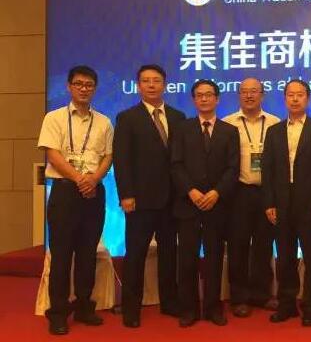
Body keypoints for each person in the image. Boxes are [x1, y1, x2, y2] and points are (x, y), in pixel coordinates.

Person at [37, 65, 113, 335]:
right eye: (79, 84)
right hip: (65, 191)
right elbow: (52, 154)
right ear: (69, 86)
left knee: (87, 252)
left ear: (95, 88)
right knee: (61, 255)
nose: (84, 88)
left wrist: (93, 179)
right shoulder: (54, 118)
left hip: (94, 192)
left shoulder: (104, 121)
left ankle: (84, 306)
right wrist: (79, 179)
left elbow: (108, 156)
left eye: (89, 85)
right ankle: (58, 312)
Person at [113, 64, 185, 327]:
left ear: (165, 84)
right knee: (135, 255)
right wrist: (126, 195)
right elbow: (122, 160)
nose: (151, 85)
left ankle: (170, 302)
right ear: (138, 86)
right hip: (140, 201)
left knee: (169, 254)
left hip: (171, 200)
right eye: (146, 81)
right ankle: (131, 308)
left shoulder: (178, 117)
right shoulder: (127, 118)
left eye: (156, 80)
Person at [261, 79, 311, 327]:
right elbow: (268, 170)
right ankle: (287, 304)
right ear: (284, 99)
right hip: (282, 204)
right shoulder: (274, 131)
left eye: (300, 94)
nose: (295, 99)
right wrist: (269, 203)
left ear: (307, 98)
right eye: (290, 95)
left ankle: (310, 305)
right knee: (284, 257)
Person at [170, 80, 240, 328]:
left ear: (217, 99)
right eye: (199, 95)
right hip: (188, 205)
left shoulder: (229, 131)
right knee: (187, 260)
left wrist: (216, 192)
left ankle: (212, 308)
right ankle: (188, 309)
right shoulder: (182, 129)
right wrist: (190, 190)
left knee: (214, 259)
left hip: (217, 206)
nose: (204, 99)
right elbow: (175, 164)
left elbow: (233, 168)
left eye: (209, 95)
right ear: (193, 100)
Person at [223, 77, 280, 317]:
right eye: (244, 91)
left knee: (264, 245)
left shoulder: (275, 123)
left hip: (267, 192)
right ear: (239, 95)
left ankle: (261, 294)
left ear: (262, 95)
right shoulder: (228, 123)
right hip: (239, 192)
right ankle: (239, 297)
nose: (249, 95)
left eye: (254, 91)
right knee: (237, 245)